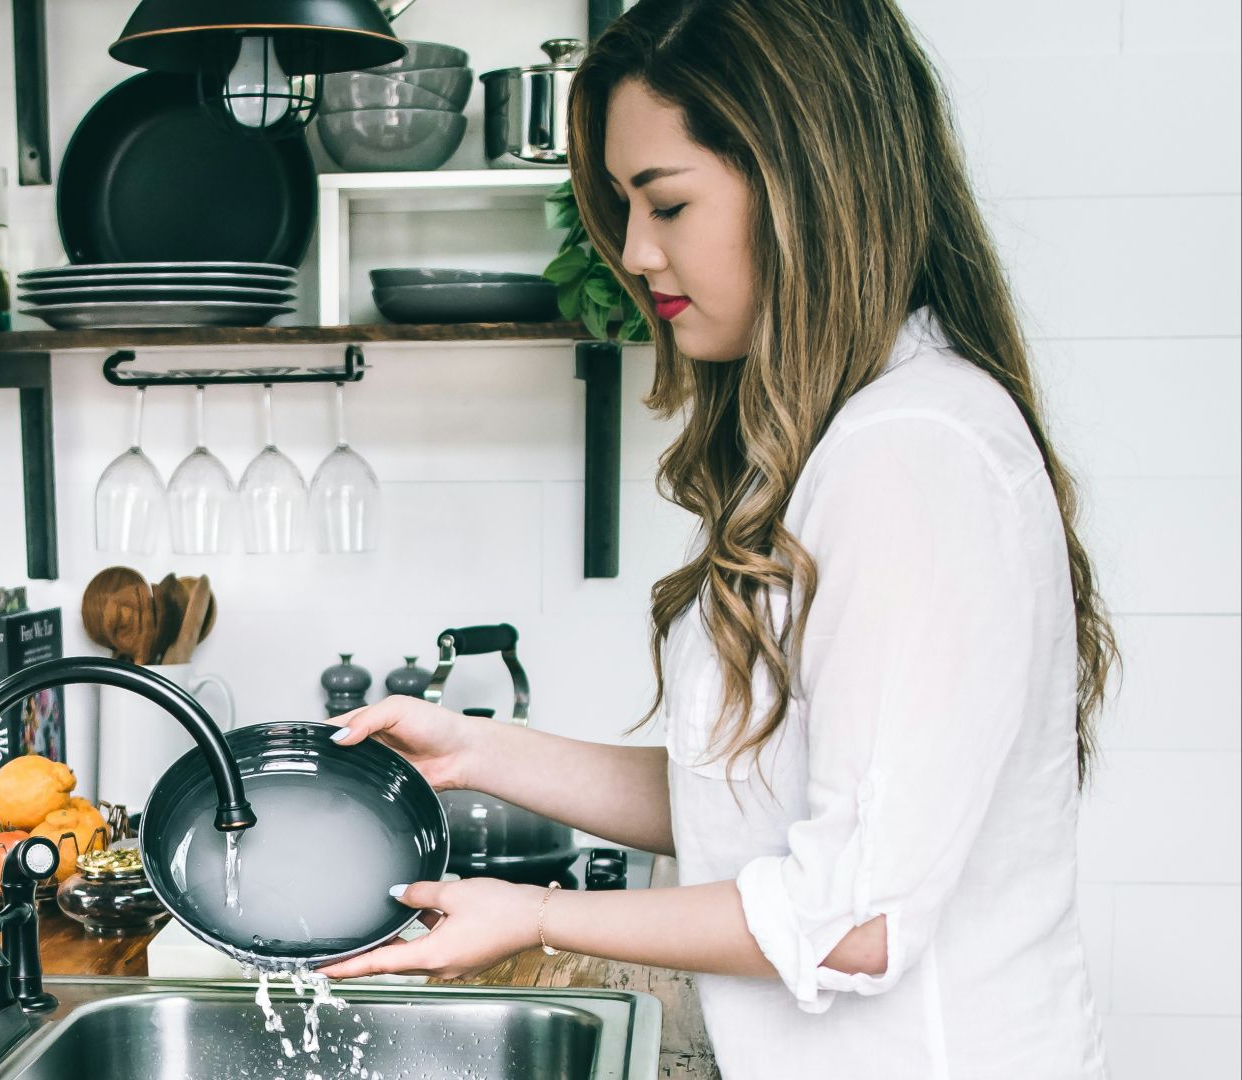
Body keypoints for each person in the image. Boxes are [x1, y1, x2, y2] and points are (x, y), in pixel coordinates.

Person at [317, 1, 1118, 1076]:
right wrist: (477, 752)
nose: (638, 251)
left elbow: (851, 921)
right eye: (622, 207)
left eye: (669, 203)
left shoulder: (909, 456)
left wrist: (535, 913)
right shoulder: (859, 436)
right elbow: (752, 803)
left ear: (806, 187)